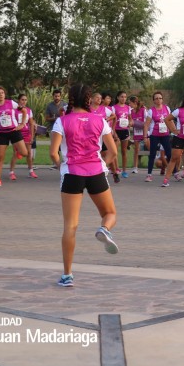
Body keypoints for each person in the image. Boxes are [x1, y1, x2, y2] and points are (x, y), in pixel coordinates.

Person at [49, 83, 119, 287]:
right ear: (89, 100)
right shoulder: (100, 120)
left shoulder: (62, 121)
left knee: (70, 226)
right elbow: (113, 152)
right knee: (110, 213)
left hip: (72, 173)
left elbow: (54, 153)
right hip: (96, 172)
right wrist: (103, 166)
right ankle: (104, 230)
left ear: (70, 99)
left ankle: (67, 275)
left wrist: (61, 166)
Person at [0, 86, 29, 188]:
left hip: (14, 131)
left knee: (25, 153)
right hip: (2, 133)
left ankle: (18, 151)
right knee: (0, 157)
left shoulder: (11, 103)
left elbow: (24, 111)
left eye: (2, 93)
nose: (1, 94)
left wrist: (22, 124)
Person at [145, 91, 172, 183]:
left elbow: (170, 120)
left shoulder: (167, 108)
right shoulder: (151, 111)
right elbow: (146, 125)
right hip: (155, 134)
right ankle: (149, 174)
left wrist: (175, 131)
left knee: (169, 153)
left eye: (160, 98)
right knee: (152, 154)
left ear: (162, 99)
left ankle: (175, 172)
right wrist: (145, 137)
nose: (158, 100)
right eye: (156, 98)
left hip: (165, 134)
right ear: (153, 100)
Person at [9, 93, 37, 179]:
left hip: (26, 133)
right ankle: (12, 172)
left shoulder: (29, 110)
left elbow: (31, 123)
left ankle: (31, 170)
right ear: (18, 100)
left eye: (25, 100)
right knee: (16, 152)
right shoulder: (14, 110)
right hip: (17, 133)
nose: (24, 102)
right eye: (22, 100)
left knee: (29, 153)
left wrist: (32, 136)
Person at [112, 91, 133, 178]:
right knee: (114, 152)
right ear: (118, 97)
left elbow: (131, 119)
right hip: (117, 130)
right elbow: (112, 121)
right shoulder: (114, 107)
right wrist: (114, 132)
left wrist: (130, 123)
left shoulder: (128, 108)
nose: (123, 98)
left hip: (125, 130)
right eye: (121, 97)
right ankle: (116, 169)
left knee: (124, 152)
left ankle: (124, 170)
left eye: (125, 97)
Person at [45, 89, 66, 168]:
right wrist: (55, 118)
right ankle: (56, 163)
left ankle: (64, 162)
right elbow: (47, 118)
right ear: (53, 96)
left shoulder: (65, 104)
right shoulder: (49, 106)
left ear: (60, 96)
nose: (57, 97)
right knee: (55, 146)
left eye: (58, 96)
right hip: (53, 128)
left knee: (63, 145)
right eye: (55, 96)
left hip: (64, 128)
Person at [129, 96, 148, 174]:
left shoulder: (143, 110)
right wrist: (131, 124)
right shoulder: (130, 111)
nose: (129, 104)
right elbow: (130, 122)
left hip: (144, 131)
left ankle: (153, 165)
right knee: (136, 150)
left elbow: (147, 120)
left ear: (135, 103)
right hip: (136, 132)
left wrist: (140, 124)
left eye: (130, 103)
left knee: (150, 148)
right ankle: (135, 167)